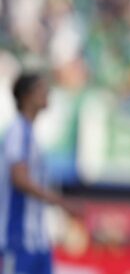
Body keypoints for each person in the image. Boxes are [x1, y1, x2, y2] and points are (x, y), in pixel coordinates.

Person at [0, 71, 79, 274]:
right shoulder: (18, 131)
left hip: (37, 240)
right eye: (42, 88)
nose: (47, 93)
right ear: (27, 95)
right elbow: (20, 179)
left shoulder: (31, 135)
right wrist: (61, 202)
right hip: (17, 238)